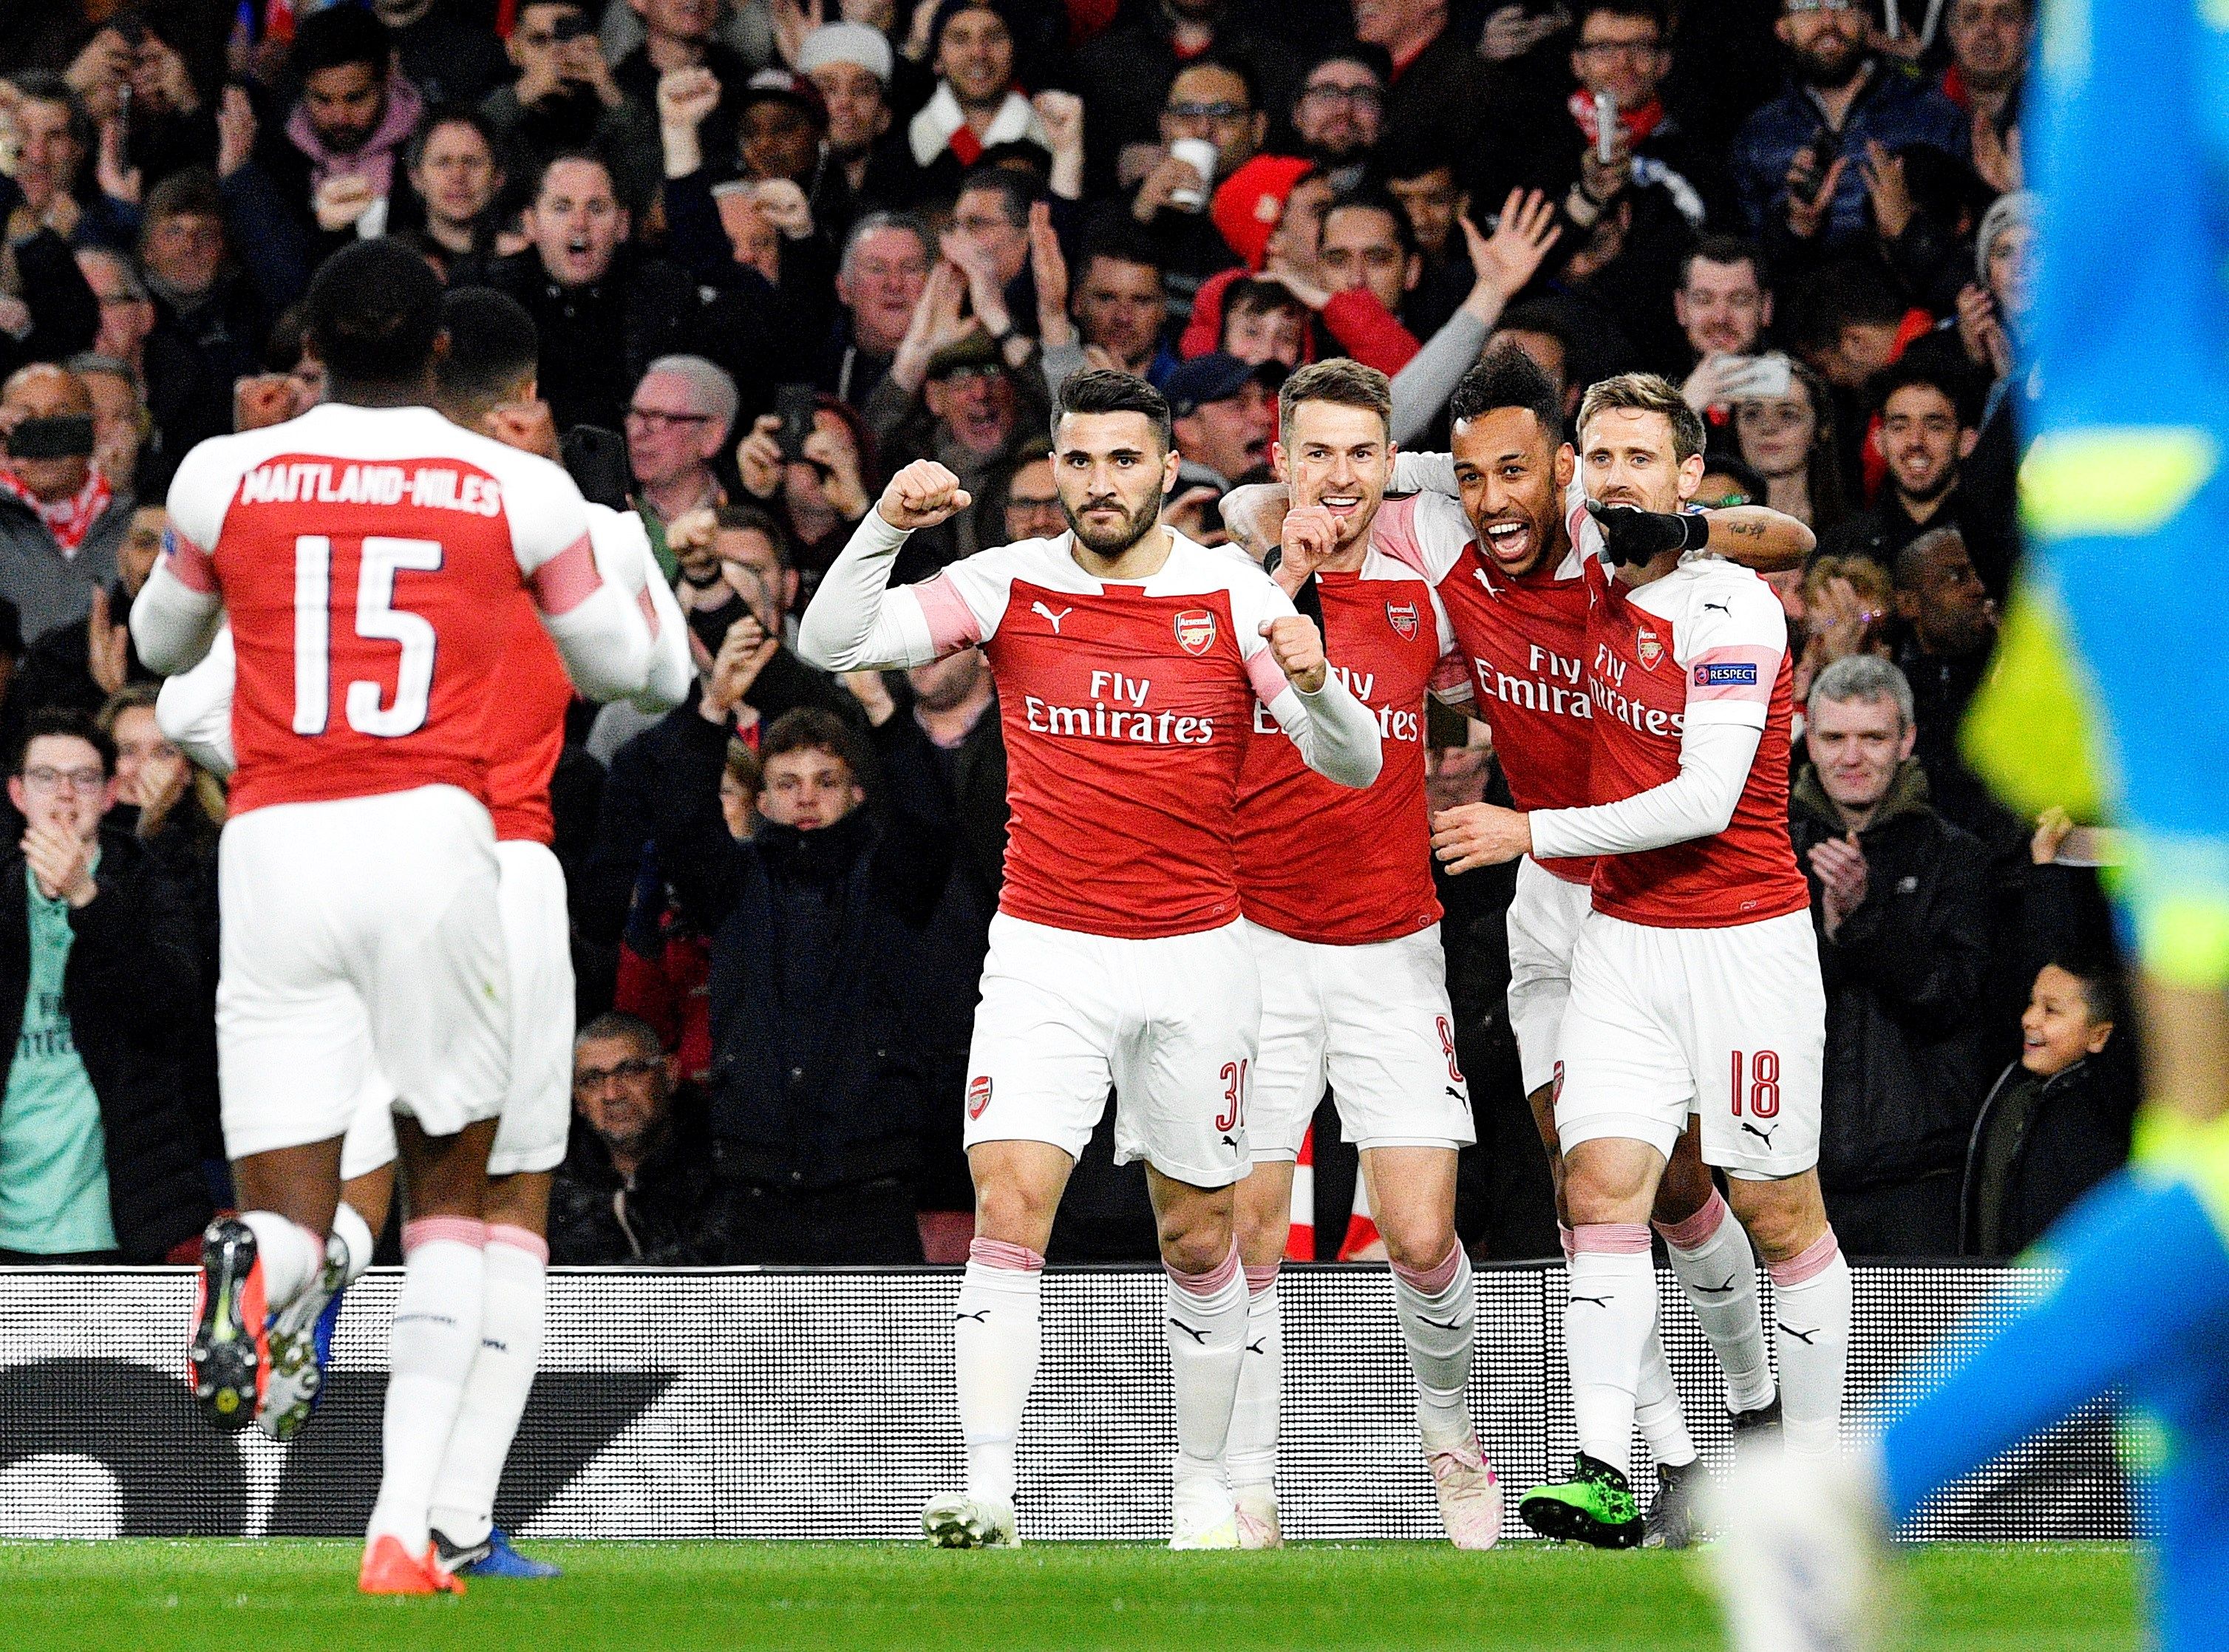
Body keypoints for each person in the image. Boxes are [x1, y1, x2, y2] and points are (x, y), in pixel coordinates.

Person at [127, 240, 653, 1596]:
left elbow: (158, 653)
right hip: (439, 843)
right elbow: (627, 670)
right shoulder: (516, 488)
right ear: (439, 357)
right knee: (457, 1203)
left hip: (276, 844)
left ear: (309, 346)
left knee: (292, 1196)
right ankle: (399, 1534)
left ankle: (265, 1266)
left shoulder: (220, 473)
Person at [796, 368, 1382, 1549]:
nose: (1101, 483)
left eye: (1125, 461)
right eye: (1078, 460)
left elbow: (1353, 768)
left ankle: (1203, 1485)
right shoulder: (1009, 584)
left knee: (1200, 1236)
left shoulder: (1227, 594)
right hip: (1046, 950)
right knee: (1009, 1205)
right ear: (1053, 469)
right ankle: (989, 1491)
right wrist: (883, 526)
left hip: (1197, 956)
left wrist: (1318, 686)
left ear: (1168, 470)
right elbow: (830, 640)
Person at [1312, 346, 1812, 1547]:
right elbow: (1248, 504)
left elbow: (1785, 539)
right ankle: (1663, 1456)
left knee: (1687, 1187)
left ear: (1571, 472)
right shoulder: (1446, 535)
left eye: (1520, 474)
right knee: (1582, 1175)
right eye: (1470, 479)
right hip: (1548, 896)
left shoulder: (1622, 544)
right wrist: (1436, 469)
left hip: (1658, 893)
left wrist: (1643, 511)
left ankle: (1753, 1419)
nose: (1492, 502)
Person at [1219, 360, 1496, 1551]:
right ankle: (1251, 1482)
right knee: (1247, 1231)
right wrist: (1283, 562)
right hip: (1254, 945)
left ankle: (1452, 1435)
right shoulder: (1226, 593)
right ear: (1282, 460)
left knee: (1424, 1235)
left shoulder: (1422, 598)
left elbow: (1450, 712)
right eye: (1317, 452)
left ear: (1390, 470)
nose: (1337, 476)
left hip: (1392, 944)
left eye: (1362, 455)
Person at [647, 699, 950, 1263]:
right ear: (761, 800)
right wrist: (710, 711)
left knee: (885, 1354)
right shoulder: (731, 883)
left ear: (856, 791)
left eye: (825, 780)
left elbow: (930, 818)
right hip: (754, 1179)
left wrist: (884, 711)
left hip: (873, 1180)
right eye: (787, 783)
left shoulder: (890, 882)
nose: (806, 797)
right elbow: (681, 820)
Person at [1789, 655, 1994, 1256]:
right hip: (1794, 1180)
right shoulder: (1770, 862)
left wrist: (1865, 921)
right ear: (1811, 741)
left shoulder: (1959, 860)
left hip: (1921, 1184)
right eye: (1834, 737)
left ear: (1906, 740)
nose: (1851, 757)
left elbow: (1951, 1001)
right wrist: (1831, 927)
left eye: (1872, 737)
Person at [0, 707, 210, 1264]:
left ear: (110, 793)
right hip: (8, 1217)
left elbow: (170, 1015)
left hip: (121, 1219)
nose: (64, 794)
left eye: (84, 778)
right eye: (46, 777)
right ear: (18, 793)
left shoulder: (153, 884)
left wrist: (86, 898)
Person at [1729, 0, 1966, 253]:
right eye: (1808, 5)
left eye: (1844, 4)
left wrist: (1907, 231)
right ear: (1783, 28)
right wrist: (1796, 227)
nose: (1829, 21)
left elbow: (1972, 248)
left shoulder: (1932, 116)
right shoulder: (1757, 137)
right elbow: (1743, 264)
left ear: (1867, 20)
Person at [1961, 956, 2135, 1260]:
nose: (2029, 1019)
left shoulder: (2101, 1112)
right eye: (2031, 1004)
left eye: (2051, 1010)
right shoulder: (2015, 1091)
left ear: (2099, 1036)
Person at [548, 1012, 721, 1263]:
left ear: (670, 1074)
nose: (612, 1094)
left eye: (630, 1071)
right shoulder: (558, 1182)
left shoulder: (722, 1161)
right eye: (593, 1080)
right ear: (578, 1099)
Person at [264, 7, 429, 250]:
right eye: (322, 100)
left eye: (355, 98)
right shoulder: (280, 158)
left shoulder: (429, 147)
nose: (340, 118)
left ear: (387, 80)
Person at [1823, 359, 2004, 578]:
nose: (1915, 441)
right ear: (1879, 442)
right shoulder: (1843, 549)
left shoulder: (2000, 542)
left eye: (1934, 426)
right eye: (1899, 427)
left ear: (1967, 442)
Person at [0, 361, 126, 644]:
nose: (45, 438)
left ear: (90, 429)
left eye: (61, 419)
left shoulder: (132, 518)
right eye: (26, 424)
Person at [905, 0, 1049, 204]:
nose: (979, 53)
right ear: (937, 59)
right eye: (960, 39)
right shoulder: (903, 146)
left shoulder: (1053, 139)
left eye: (994, 37)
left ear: (1015, 52)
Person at [625, 354, 738, 563]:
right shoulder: (610, 518)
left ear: (711, 435)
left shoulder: (745, 527)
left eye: (658, 417)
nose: (638, 431)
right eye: (635, 413)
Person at [800, 21, 921, 212]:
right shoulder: (787, 184)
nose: (845, 102)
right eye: (828, 89)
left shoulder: (918, 179)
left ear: (884, 115)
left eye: (862, 90)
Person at [823, 211, 933, 407]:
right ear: (844, 289)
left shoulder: (958, 363)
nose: (894, 284)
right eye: (877, 268)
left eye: (910, 268)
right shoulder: (819, 363)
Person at [1729, 358, 1848, 537]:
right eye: (1752, 414)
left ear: (1820, 429)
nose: (1768, 428)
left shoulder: (1852, 534)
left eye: (1788, 415)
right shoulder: (1710, 525)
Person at [1167, 352, 1278, 491]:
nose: (1266, 418)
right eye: (1239, 405)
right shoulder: (1193, 505)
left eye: (1263, 401)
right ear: (1188, 429)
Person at [1290, 52, 1387, 188]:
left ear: (1384, 119)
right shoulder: (1266, 188)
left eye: (1363, 96)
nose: (1344, 109)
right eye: (1327, 93)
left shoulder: (1410, 194)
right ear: (1298, 113)